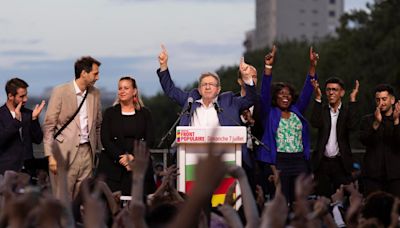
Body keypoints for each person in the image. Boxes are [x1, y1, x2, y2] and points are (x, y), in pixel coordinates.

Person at [258, 46, 318, 205]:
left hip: (299, 161)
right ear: (275, 97)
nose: (286, 97)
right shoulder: (269, 113)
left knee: (301, 202)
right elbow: (264, 93)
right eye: (281, 94)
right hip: (279, 161)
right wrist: (268, 67)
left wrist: (312, 65)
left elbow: (308, 90)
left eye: (289, 94)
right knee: (282, 202)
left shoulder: (297, 110)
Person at [43, 56, 102, 200]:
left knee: (82, 199)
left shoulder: (95, 93)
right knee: (63, 200)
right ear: (83, 73)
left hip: (88, 153)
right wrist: (50, 157)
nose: (98, 77)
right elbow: (49, 126)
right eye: (95, 73)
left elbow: (98, 125)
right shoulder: (60, 91)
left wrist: (98, 150)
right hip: (63, 154)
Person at [156, 45, 257, 127]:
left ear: (218, 89)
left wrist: (248, 78)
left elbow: (250, 99)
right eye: (204, 84)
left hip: (224, 150)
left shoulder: (229, 100)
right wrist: (163, 65)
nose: (207, 87)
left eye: (211, 84)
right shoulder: (191, 100)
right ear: (199, 90)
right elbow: (171, 90)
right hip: (191, 150)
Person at [96, 76, 156, 196]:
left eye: (126, 88)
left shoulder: (145, 114)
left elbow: (150, 139)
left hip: (139, 166)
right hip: (113, 167)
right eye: (120, 88)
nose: (122, 91)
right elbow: (105, 139)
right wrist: (122, 159)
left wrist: (133, 157)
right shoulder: (110, 113)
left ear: (134, 91)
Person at [310, 77, 360, 197]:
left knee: (342, 199)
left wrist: (353, 100)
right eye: (328, 90)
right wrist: (317, 98)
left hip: (341, 163)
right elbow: (315, 123)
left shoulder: (347, 112)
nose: (331, 92)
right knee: (322, 199)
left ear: (342, 92)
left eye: (334, 89)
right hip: (322, 163)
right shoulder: (322, 110)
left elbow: (353, 125)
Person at [359, 84, 400, 197]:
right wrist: (376, 124)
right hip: (372, 177)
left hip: (395, 177)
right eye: (378, 99)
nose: (381, 102)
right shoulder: (367, 120)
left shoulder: (398, 120)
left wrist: (396, 122)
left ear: (392, 100)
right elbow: (364, 140)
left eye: (384, 99)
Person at [0, 78, 45, 174]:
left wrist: (34, 120)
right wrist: (16, 121)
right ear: (10, 96)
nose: (26, 99)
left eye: (26, 95)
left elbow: (38, 139)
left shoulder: (29, 114)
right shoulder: (1, 115)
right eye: (22, 96)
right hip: (6, 171)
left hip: (29, 171)